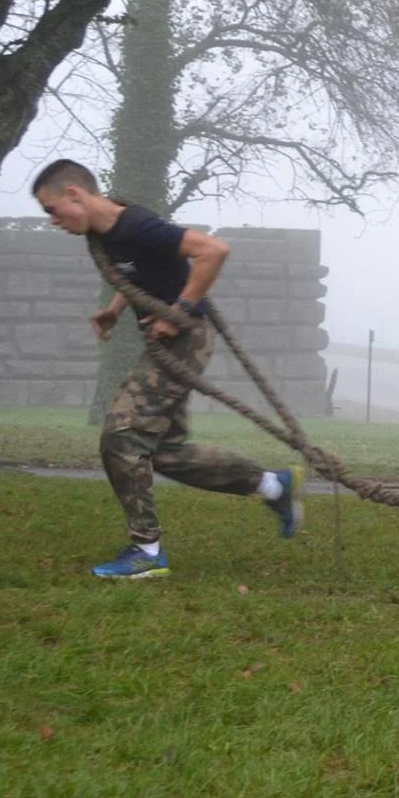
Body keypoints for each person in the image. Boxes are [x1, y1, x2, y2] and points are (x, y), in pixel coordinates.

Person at [33, 159, 303, 580]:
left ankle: (146, 549)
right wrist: (114, 309)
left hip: (183, 340)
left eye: (52, 209)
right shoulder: (109, 236)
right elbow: (140, 273)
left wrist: (177, 313)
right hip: (167, 341)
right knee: (167, 453)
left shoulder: (135, 226)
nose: (52, 220)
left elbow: (214, 251)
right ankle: (274, 486)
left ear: (75, 194)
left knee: (123, 435)